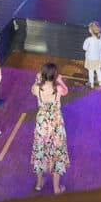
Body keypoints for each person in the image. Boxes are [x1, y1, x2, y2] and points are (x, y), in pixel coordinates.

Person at [30, 62, 69, 194]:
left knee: (40, 151)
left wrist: (37, 80)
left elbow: (32, 89)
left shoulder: (37, 88)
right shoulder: (57, 88)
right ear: (54, 75)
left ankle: (39, 183)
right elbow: (66, 91)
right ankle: (56, 188)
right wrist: (60, 81)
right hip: (56, 123)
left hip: (42, 123)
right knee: (57, 153)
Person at [83, 21, 101, 88]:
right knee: (98, 70)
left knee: (91, 71)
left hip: (90, 59)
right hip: (98, 58)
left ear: (90, 30)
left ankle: (91, 83)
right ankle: (100, 82)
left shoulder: (88, 40)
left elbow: (84, 48)